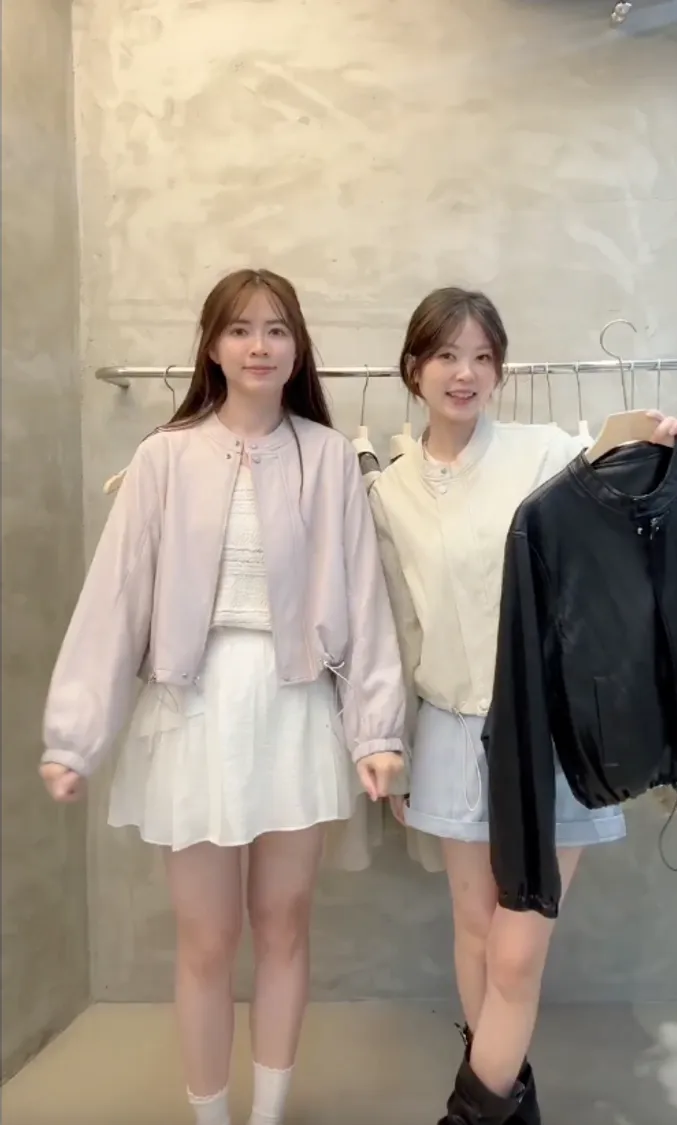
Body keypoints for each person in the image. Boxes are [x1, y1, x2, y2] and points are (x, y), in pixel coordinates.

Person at [39, 268, 407, 1125]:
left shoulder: (328, 457)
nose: (259, 345)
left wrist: (376, 732)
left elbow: (364, 601)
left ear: (297, 348)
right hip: (193, 710)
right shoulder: (164, 457)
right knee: (206, 938)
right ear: (212, 346)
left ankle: (268, 1113)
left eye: (277, 329)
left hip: (294, 709)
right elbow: (114, 600)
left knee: (283, 925)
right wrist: (75, 737)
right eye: (240, 329)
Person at [367, 287, 677, 1125]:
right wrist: (394, 742)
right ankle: (511, 1105)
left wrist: (662, 438)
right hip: (450, 730)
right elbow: (398, 626)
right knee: (476, 932)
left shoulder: (540, 452)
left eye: (483, 356)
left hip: (547, 730)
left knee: (517, 951)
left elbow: (614, 454)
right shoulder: (389, 490)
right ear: (414, 368)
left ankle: (471, 1114)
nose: (466, 372)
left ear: (500, 371)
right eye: (448, 354)